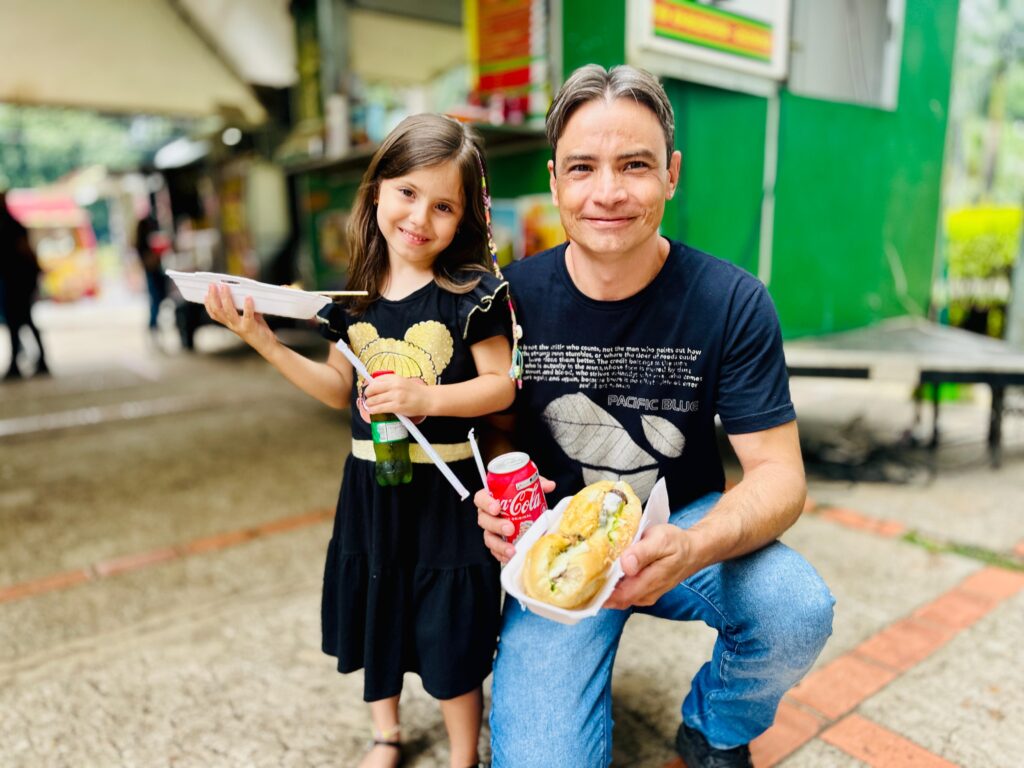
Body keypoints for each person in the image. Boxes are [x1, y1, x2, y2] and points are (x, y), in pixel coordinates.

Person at [474, 65, 835, 768]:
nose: (607, 191)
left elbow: (779, 475)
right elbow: (496, 425)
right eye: (583, 168)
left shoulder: (732, 301)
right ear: (554, 182)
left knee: (795, 609)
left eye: (634, 165)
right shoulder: (509, 299)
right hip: (558, 547)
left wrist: (694, 550)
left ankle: (716, 726)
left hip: (682, 525)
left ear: (671, 174)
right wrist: (495, 491)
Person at [204, 114, 516, 768]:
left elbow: (500, 387)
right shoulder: (353, 300)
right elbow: (332, 388)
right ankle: (387, 735)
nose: (419, 217)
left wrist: (428, 399)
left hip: (447, 494)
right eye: (406, 192)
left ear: (464, 219)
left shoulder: (474, 295)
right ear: (377, 191)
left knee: (449, 623)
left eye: (443, 205)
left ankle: (464, 754)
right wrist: (262, 338)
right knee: (380, 600)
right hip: (370, 489)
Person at [0, 190, 49, 380]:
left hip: (17, 282)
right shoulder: (11, 225)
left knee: (21, 321)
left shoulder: (10, 226)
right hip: (16, 281)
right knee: (22, 321)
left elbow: (25, 252)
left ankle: (26, 362)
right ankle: (27, 361)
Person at [135, 215, 167, 345]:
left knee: (155, 301)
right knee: (155, 301)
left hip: (152, 274)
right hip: (153, 274)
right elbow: (150, 261)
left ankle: (154, 327)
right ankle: (153, 327)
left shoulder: (142, 242)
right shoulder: (146, 243)